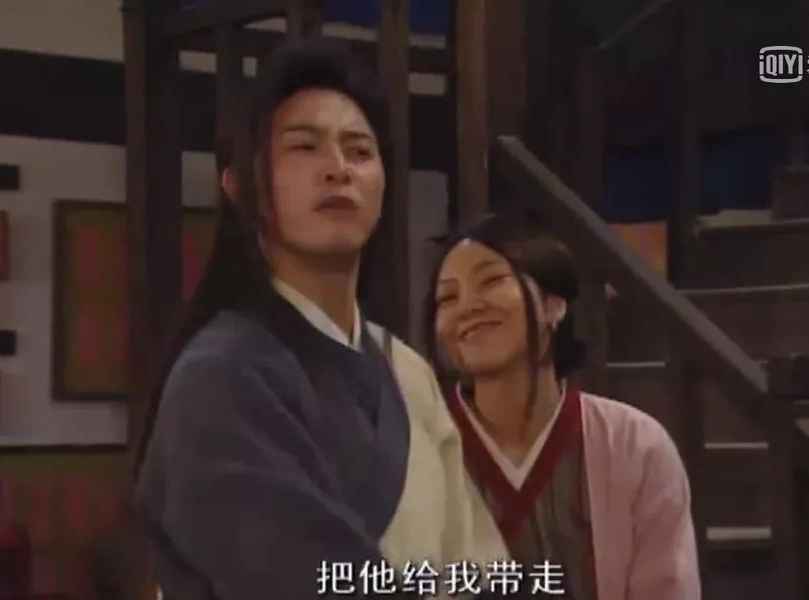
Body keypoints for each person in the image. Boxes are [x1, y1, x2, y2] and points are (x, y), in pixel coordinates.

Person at [133, 38, 506, 600]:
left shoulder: (407, 372)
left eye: (359, 151)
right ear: (240, 186)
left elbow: (477, 571)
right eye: (304, 147)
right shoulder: (218, 377)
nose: (338, 169)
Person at [427, 214, 701, 600]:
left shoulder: (635, 446)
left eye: (491, 280)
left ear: (554, 305)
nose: (467, 306)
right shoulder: (414, 447)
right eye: (447, 298)